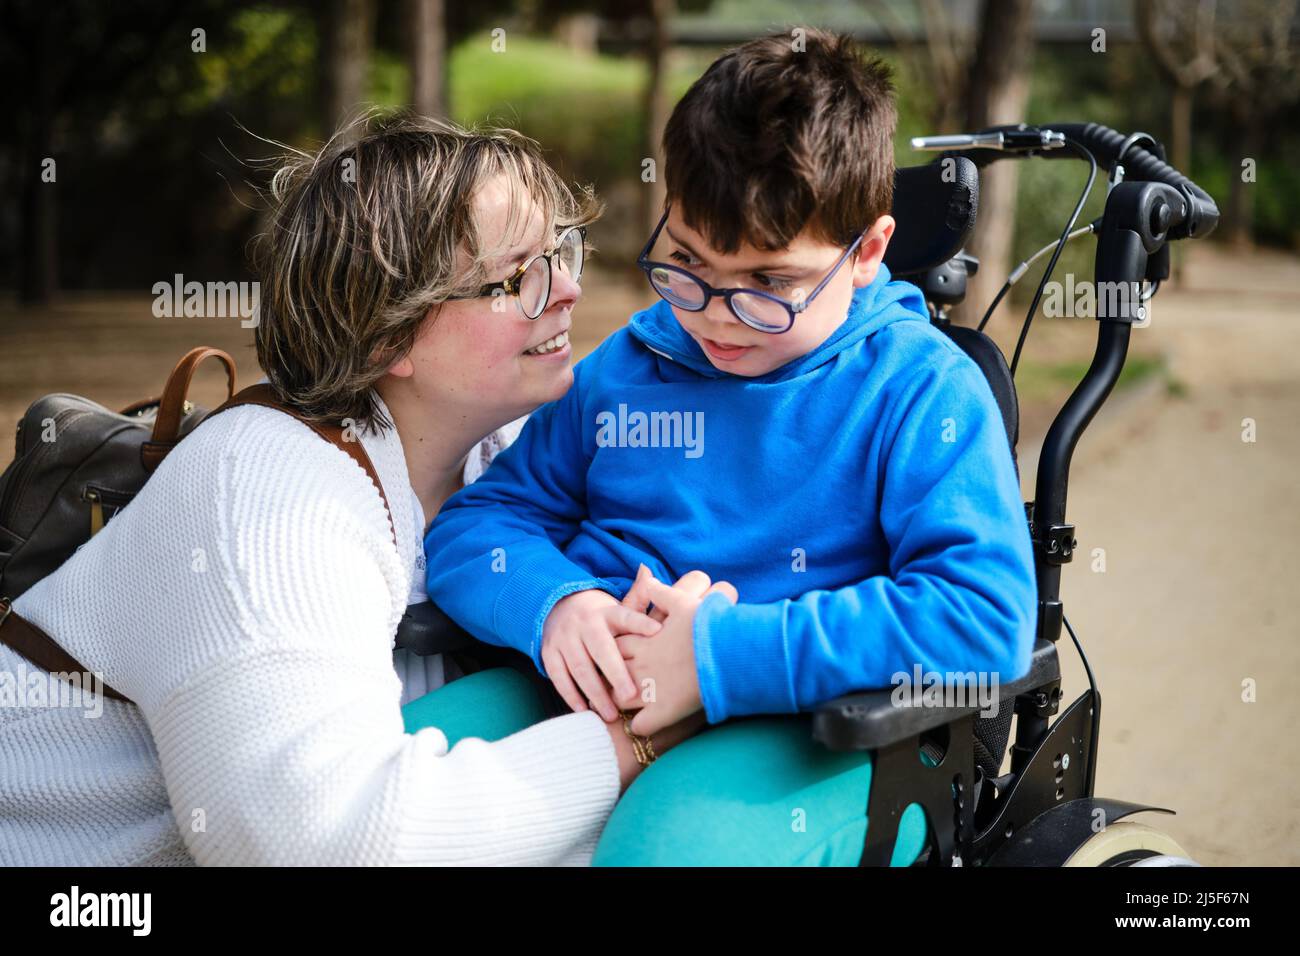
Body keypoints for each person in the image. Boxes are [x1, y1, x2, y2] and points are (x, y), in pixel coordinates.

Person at [0, 115, 701, 867]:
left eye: (562, 251)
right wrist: (636, 737)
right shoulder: (267, 495)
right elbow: (324, 843)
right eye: (518, 277)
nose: (567, 290)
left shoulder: (502, 454)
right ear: (386, 337)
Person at [424, 31, 1037, 865]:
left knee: (663, 849)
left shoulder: (920, 392)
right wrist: (557, 603)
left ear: (867, 253)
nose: (715, 312)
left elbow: (983, 617)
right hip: (593, 687)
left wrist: (721, 655)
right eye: (687, 261)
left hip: (822, 735)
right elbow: (479, 523)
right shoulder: (629, 368)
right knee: (400, 780)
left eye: (769, 285)